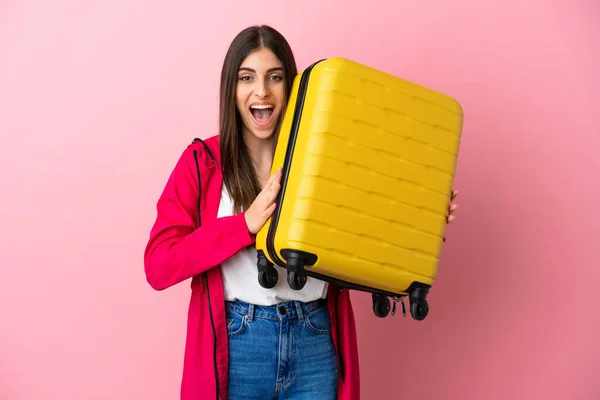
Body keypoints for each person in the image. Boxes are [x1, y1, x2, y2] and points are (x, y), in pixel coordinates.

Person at [144, 25, 459, 400]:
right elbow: (159, 266)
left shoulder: (328, 156)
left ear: (291, 87)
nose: (261, 91)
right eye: (247, 78)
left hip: (314, 338)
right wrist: (243, 226)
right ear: (231, 88)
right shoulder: (203, 162)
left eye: (274, 77)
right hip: (240, 342)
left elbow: (367, 234)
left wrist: (422, 215)